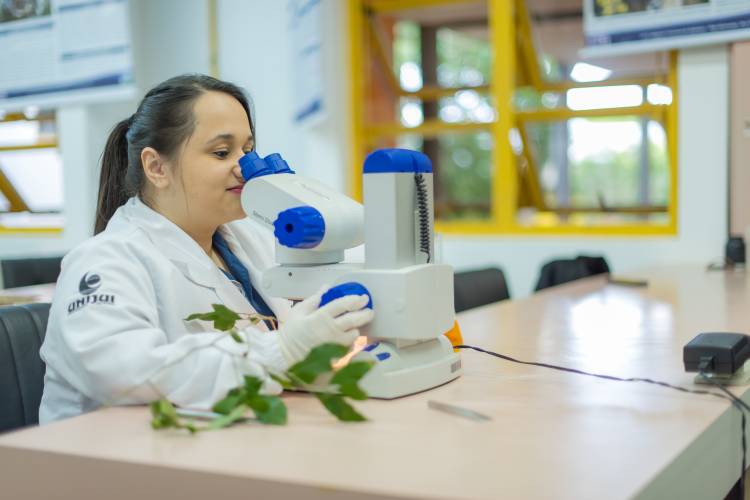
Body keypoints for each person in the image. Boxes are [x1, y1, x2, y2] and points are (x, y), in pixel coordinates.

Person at [38, 74, 374, 423]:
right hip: (110, 450)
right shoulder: (106, 261)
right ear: (156, 167)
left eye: (248, 150)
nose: (245, 168)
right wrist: (281, 349)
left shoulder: (246, 239)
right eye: (222, 152)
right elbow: (121, 373)